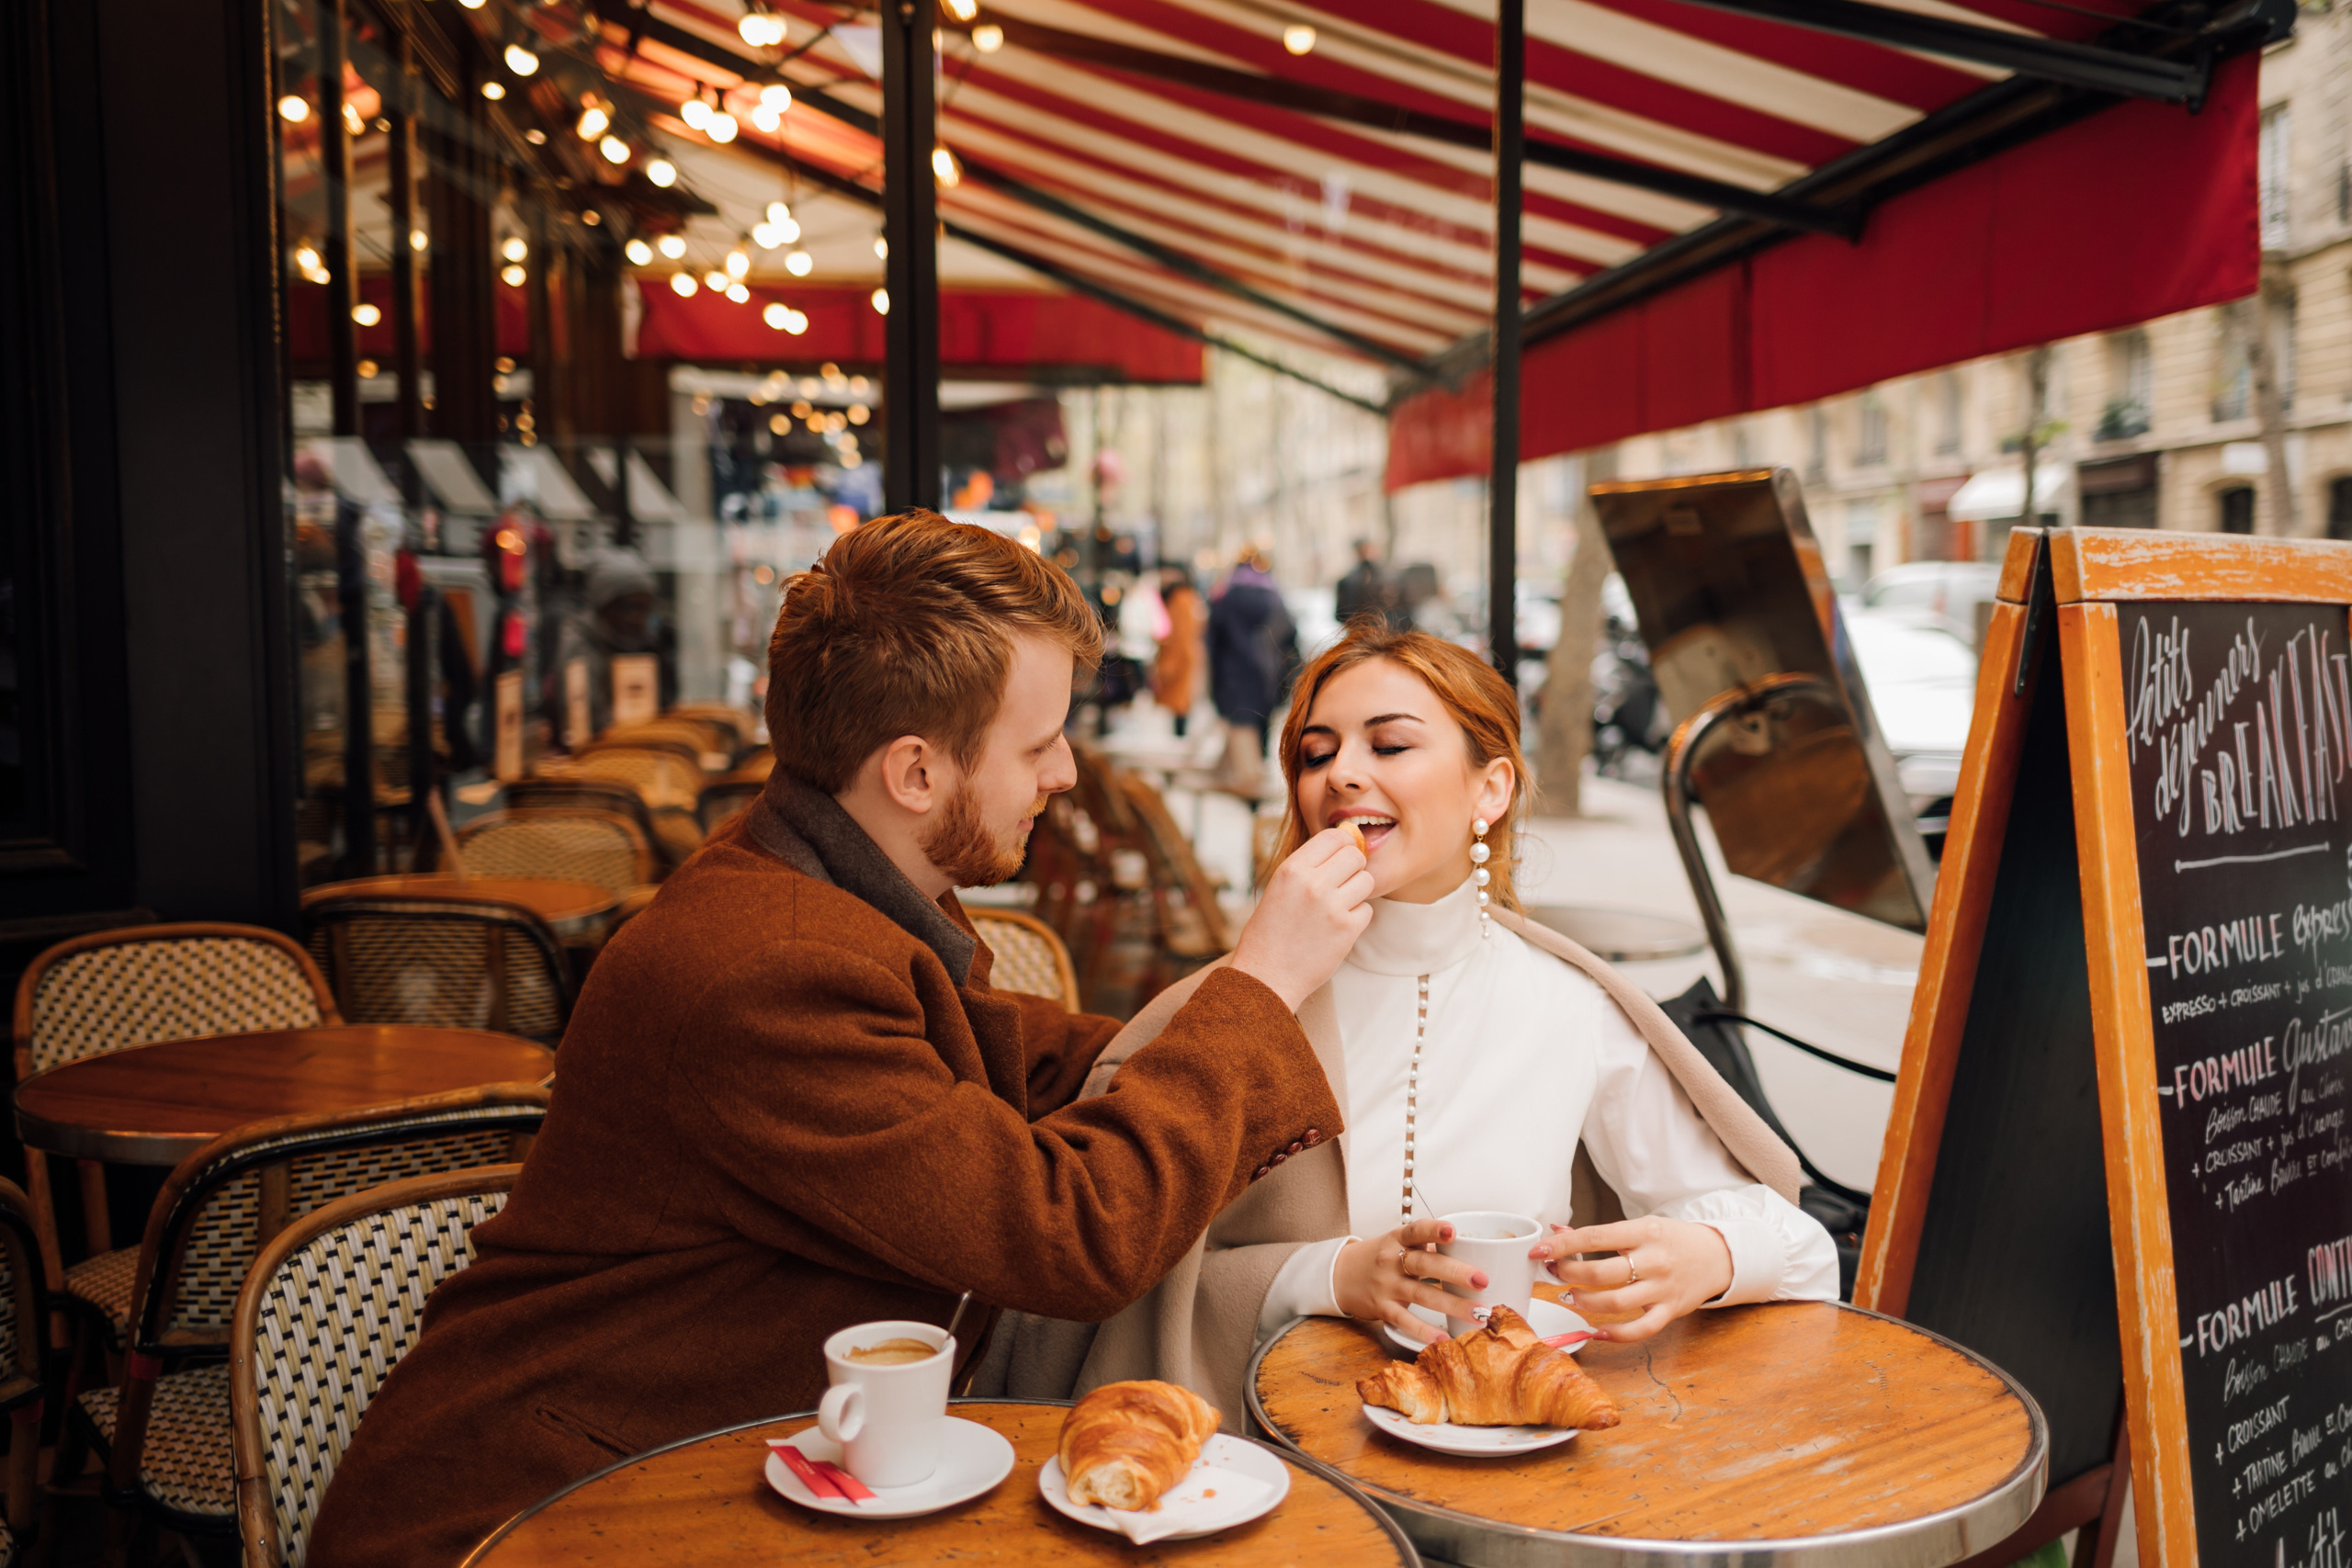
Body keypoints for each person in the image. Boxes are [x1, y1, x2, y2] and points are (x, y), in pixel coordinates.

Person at [306, 511, 1375, 1567]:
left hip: (734, 1478)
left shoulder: (834, 886)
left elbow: (1038, 1059)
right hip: (545, 1513)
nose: (1061, 773)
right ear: (915, 773)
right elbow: (1070, 1235)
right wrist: (1259, 982)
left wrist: (1328, 1045)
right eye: (1037, 744)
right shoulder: (767, 971)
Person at [1054, 622, 1839, 1420]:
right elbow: (1116, 1275)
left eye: (1389, 745)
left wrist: (1708, 1253)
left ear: (1490, 790)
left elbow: (1802, 1247)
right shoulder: (1239, 1006)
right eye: (1317, 754)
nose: (1341, 773)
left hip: (1509, 1450)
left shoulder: (1573, 1003)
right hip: (1267, 1447)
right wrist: (1330, 1275)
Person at [1206, 552, 1296, 795]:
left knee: (1241, 724)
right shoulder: (1274, 597)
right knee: (1253, 722)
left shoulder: (1227, 598)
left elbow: (1213, 641)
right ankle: (1236, 774)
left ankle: (1249, 780)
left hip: (1233, 675)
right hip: (1268, 674)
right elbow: (1290, 637)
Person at [1151, 565, 1205, 737]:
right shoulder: (1184, 597)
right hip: (1182, 654)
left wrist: (1168, 662)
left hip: (1180, 655)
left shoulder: (1180, 599)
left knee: (1180, 701)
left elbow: (1180, 634)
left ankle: (1180, 734)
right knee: (1180, 700)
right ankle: (1179, 733)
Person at [1334, 538, 1393, 629]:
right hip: (1365, 630)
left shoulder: (1388, 579)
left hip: (1374, 630)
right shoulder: (1348, 581)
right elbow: (1341, 613)